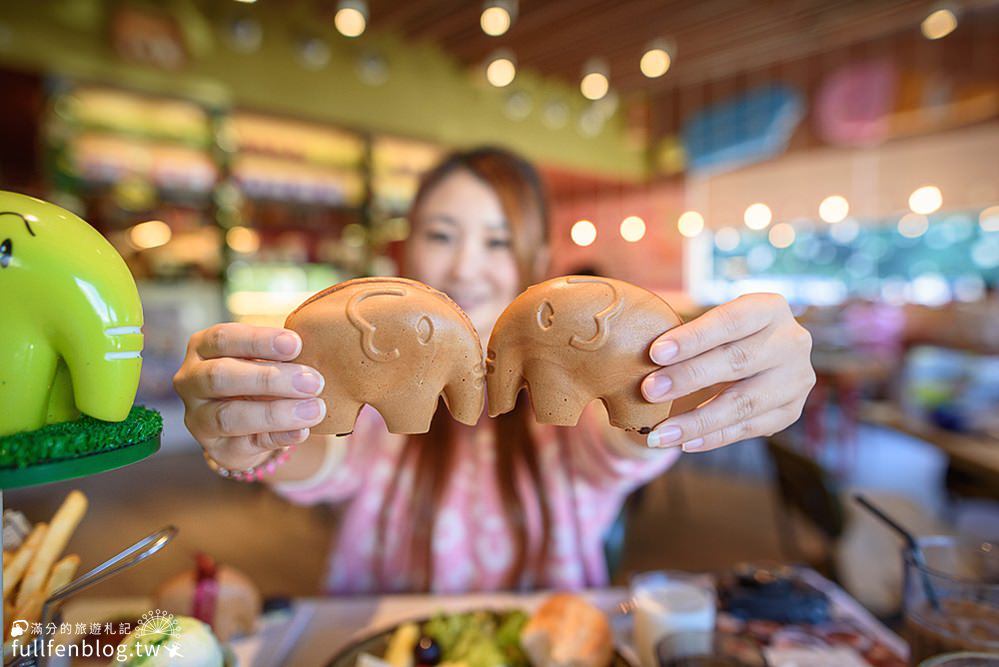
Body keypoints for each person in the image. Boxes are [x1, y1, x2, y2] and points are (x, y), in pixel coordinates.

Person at [173, 147, 815, 593]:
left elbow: (618, 445)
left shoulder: (566, 404)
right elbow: (326, 462)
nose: (466, 267)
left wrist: (710, 378)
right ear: (407, 250)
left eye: (498, 239)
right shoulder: (382, 374)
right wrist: (256, 433)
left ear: (538, 262)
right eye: (442, 235)